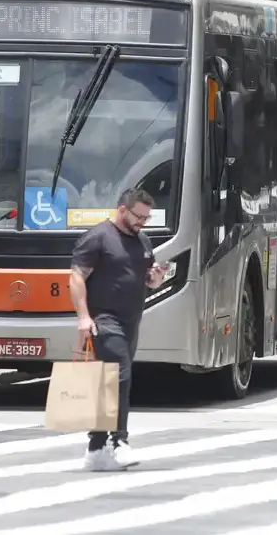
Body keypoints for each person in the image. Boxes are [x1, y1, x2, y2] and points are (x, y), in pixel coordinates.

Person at [69, 188, 169, 471]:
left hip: (130, 321)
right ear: (122, 210)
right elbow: (76, 278)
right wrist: (84, 317)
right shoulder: (98, 238)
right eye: (139, 216)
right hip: (104, 319)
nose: (143, 222)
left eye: (147, 218)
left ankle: (96, 447)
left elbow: (148, 281)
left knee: (106, 383)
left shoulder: (142, 240)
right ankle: (118, 441)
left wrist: (156, 278)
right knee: (119, 375)